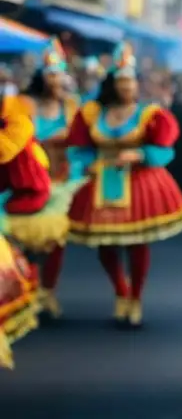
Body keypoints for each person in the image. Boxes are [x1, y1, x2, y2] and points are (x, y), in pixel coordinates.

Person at [65, 42, 182, 328]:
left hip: (138, 182)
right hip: (100, 181)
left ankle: (136, 297)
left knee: (137, 243)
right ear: (112, 84)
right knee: (105, 244)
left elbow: (165, 149)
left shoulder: (151, 115)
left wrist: (140, 154)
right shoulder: (91, 114)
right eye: (122, 82)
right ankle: (120, 291)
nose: (127, 87)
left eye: (131, 81)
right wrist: (85, 163)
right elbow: (80, 147)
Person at [0, 94, 76, 366]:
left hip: (33, 193)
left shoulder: (17, 120)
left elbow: (6, 150)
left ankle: (45, 293)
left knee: (48, 243)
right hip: (12, 196)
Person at [18, 38, 81, 318]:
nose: (55, 80)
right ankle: (28, 292)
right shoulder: (23, 105)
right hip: (27, 180)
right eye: (51, 75)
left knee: (54, 240)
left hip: (59, 180)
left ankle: (48, 292)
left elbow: (82, 143)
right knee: (26, 241)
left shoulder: (72, 108)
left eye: (59, 74)